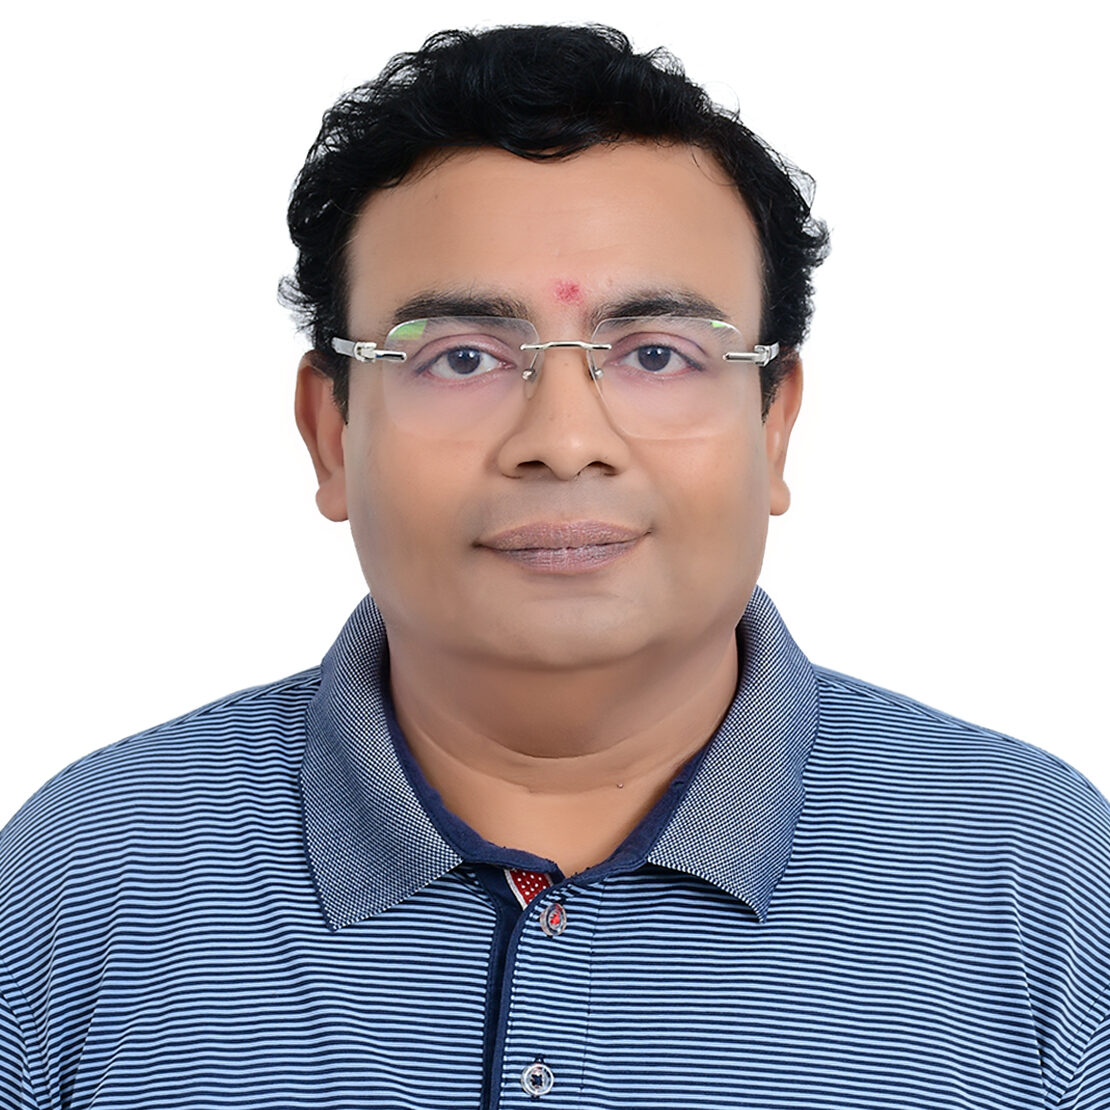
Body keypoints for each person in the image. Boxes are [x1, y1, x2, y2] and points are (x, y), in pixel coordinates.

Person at [2, 23, 1107, 1110]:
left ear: (775, 426)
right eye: (461, 358)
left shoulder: (1036, 873)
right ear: (332, 434)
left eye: (658, 354)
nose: (566, 440)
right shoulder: (89, 872)